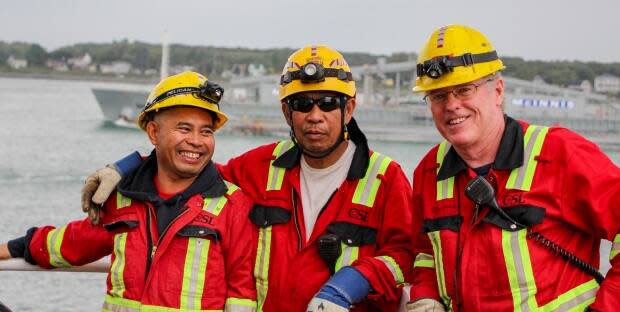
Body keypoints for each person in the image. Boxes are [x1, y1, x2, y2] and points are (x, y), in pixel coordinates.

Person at [81, 45, 414, 311]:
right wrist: (127, 167)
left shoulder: (385, 178)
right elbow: (187, 174)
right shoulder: (260, 166)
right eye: (302, 104)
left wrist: (352, 282)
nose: (315, 116)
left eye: (328, 103)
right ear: (287, 112)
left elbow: (405, 254)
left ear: (349, 109)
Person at [0, 71, 257, 311]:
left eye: (207, 131)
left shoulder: (232, 206)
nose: (197, 141)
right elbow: (74, 242)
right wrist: (13, 248)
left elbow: (242, 295)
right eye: (184, 128)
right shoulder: (124, 199)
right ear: (154, 132)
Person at [406, 24, 620, 311]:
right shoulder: (429, 172)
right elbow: (426, 253)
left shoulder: (561, 154)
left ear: (497, 90)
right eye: (438, 96)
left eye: (464, 90)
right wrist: (426, 294)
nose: (452, 105)